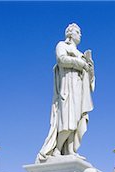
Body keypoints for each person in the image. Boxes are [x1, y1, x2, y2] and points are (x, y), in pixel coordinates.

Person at [36, 23, 95, 161]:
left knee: (77, 119)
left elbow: (90, 78)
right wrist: (81, 64)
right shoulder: (62, 45)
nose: (80, 34)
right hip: (68, 87)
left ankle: (70, 150)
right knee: (68, 120)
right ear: (70, 33)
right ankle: (57, 149)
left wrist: (90, 67)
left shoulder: (81, 54)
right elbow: (61, 59)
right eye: (78, 32)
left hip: (80, 89)